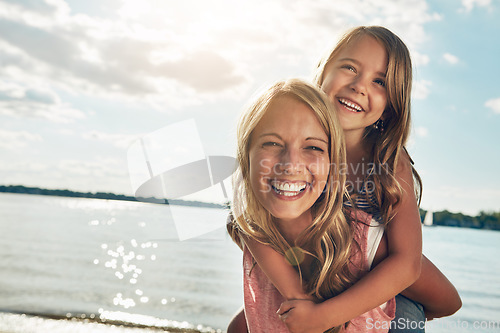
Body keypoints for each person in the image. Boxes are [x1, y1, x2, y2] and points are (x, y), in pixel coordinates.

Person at [228, 26, 461, 333]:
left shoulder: (387, 158)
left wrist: (328, 315)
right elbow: (247, 217)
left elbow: (406, 264)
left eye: (379, 81)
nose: (358, 86)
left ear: (392, 103)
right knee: (240, 325)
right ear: (322, 72)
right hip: (314, 258)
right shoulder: (293, 133)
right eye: (349, 67)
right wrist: (298, 297)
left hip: (375, 261)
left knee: (431, 304)